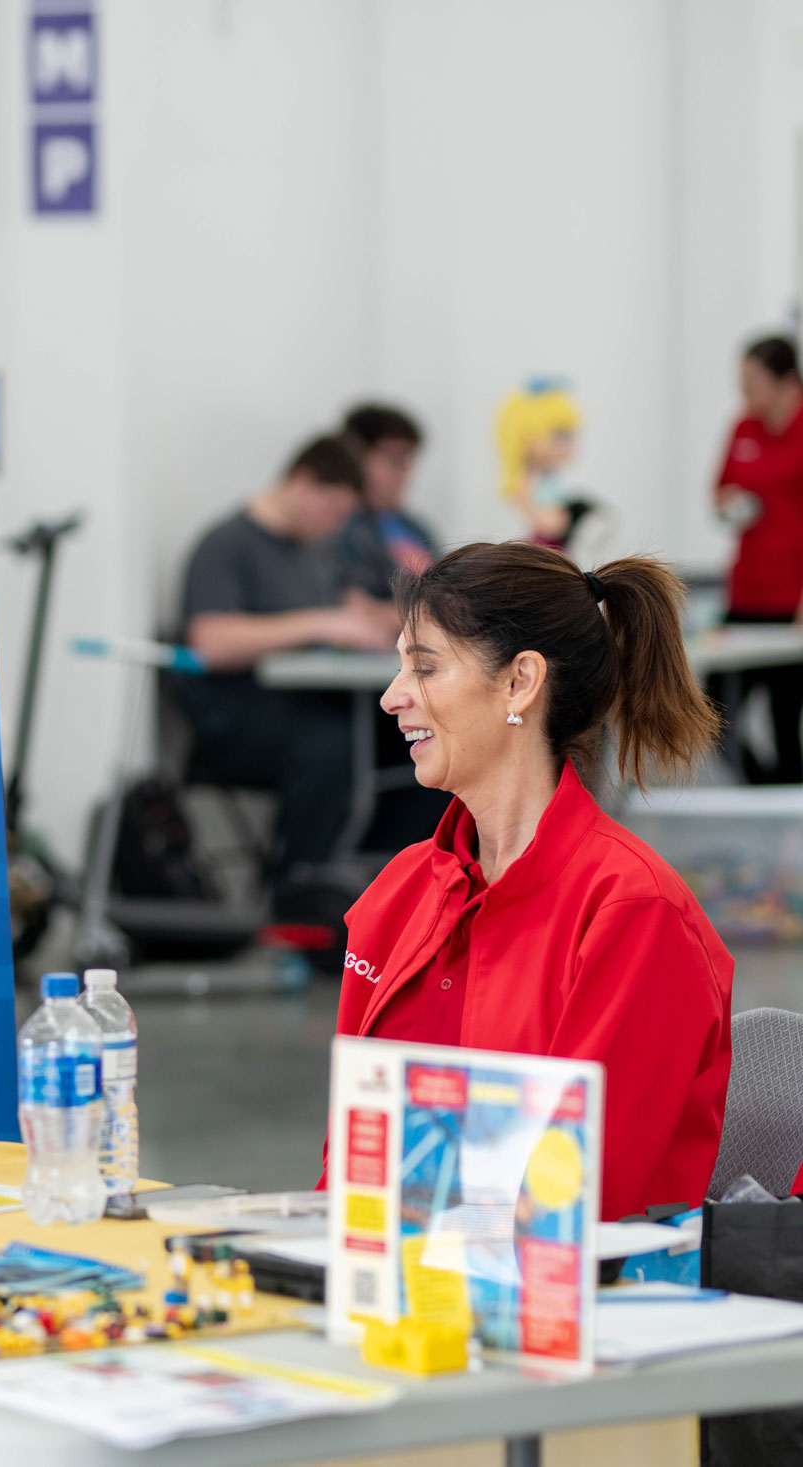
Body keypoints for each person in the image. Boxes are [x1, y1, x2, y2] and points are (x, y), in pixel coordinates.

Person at [340, 544, 730, 1220]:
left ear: (520, 681)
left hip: (582, 1307)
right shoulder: (399, 892)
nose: (392, 696)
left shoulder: (633, 909)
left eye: (424, 666)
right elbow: (349, 1162)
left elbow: (567, 1197)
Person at [178, 434, 398, 880]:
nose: (336, 525)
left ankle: (381, 886)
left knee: (415, 739)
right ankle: (298, 898)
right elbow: (210, 642)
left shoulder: (314, 551)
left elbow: (345, 608)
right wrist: (321, 623)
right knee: (330, 746)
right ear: (303, 482)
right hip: (235, 713)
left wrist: (379, 620)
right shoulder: (226, 544)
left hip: (309, 702)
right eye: (332, 510)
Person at [712, 335, 803, 783]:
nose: (745, 394)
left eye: (753, 383)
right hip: (746, 592)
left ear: (787, 383)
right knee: (714, 714)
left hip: (791, 602)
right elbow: (720, 491)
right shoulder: (743, 428)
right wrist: (730, 504)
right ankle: (762, 793)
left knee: (786, 722)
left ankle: (789, 825)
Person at [340, 401, 437, 585]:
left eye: (407, 461)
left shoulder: (416, 528)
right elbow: (354, 606)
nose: (404, 473)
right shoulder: (336, 530)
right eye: (393, 460)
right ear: (356, 458)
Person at [495, 378, 584, 550]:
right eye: (559, 435)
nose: (567, 443)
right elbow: (530, 509)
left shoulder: (548, 475)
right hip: (543, 544)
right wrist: (548, 520)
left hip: (559, 543)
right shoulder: (527, 479)